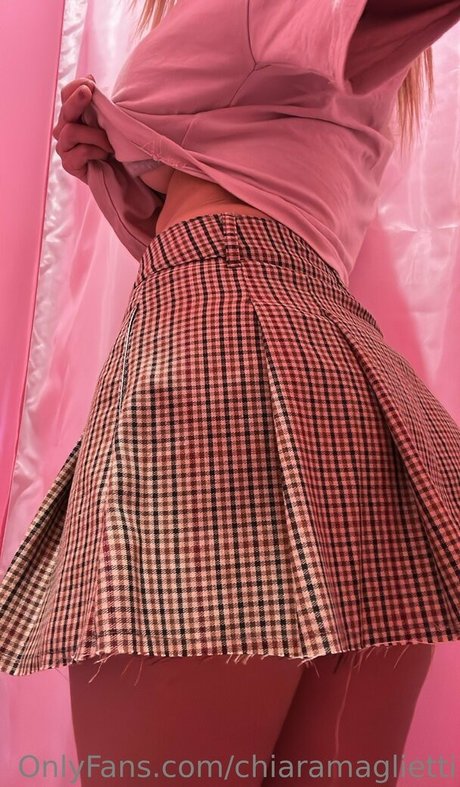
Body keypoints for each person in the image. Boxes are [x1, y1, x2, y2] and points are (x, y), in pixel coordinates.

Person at [0, 1, 459, 784]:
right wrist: (135, 178)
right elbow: (253, 207)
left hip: (222, 361)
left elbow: (219, 245)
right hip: (356, 400)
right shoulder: (335, 65)